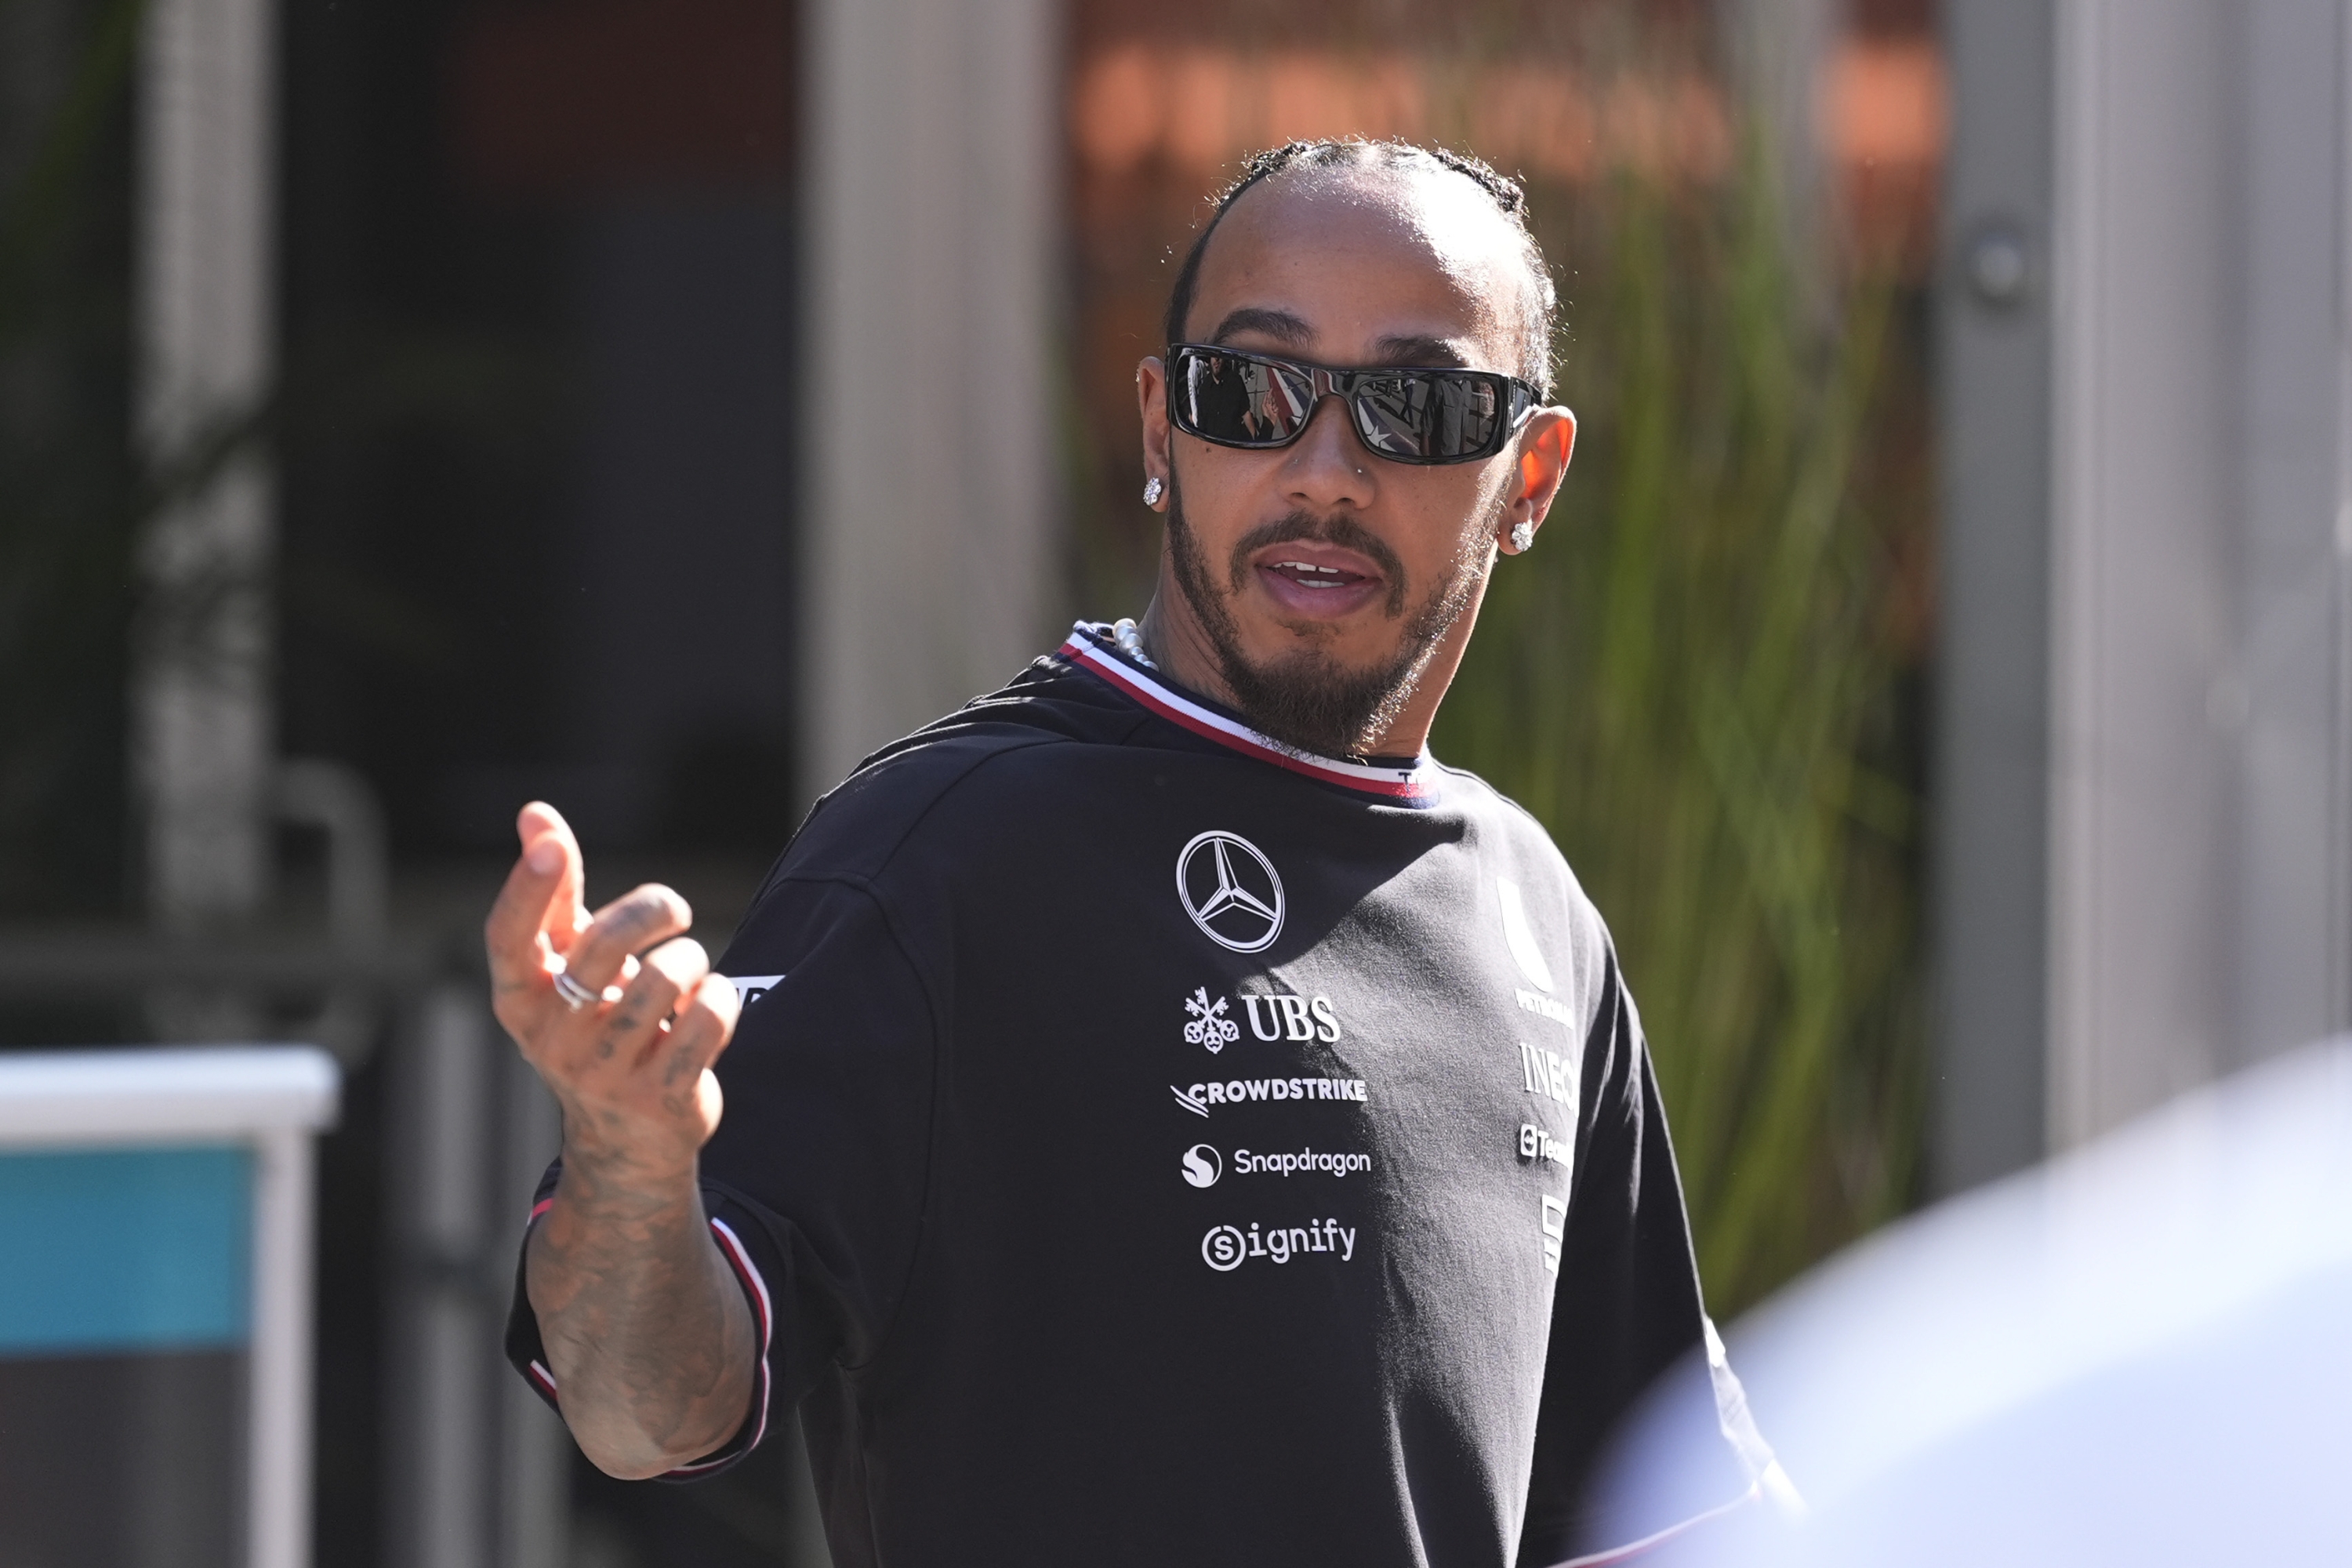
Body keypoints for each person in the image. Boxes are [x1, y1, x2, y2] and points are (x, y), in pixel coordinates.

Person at [488, 139, 1775, 1568]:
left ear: (1530, 474)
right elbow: (642, 1409)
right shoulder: (941, 858)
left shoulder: (1536, 913)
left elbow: (1652, 1516)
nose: (1326, 469)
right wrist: (625, 1162)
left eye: (1420, 406)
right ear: (1164, 430)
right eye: (1255, 388)